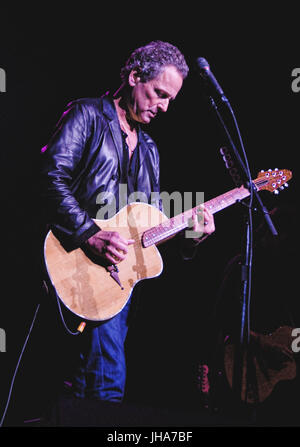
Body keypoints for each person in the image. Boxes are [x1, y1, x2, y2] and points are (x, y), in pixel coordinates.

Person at [40, 40, 215, 404]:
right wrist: (89, 234)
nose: (164, 107)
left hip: (116, 286)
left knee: (88, 390)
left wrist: (190, 237)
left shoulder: (150, 150)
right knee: (104, 388)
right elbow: (48, 177)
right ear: (135, 76)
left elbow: (149, 230)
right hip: (72, 262)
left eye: (170, 100)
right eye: (159, 93)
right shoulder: (87, 115)